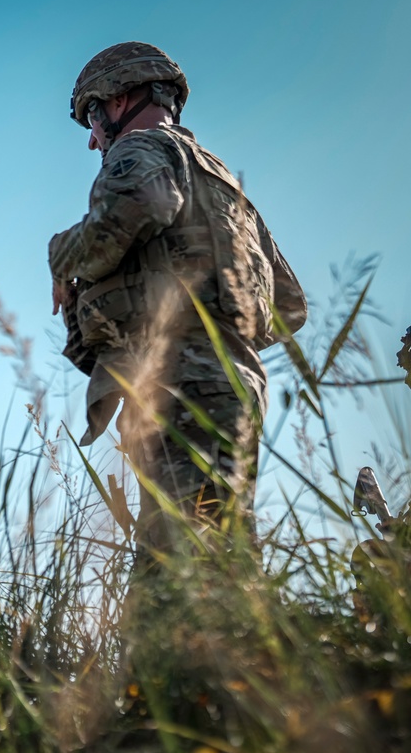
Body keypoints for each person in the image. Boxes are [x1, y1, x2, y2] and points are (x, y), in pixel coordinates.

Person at [49, 42, 307, 561]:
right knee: (220, 548)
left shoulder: (139, 149)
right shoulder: (224, 183)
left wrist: (61, 256)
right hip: (238, 386)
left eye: (91, 122)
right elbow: (289, 305)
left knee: (175, 565)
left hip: (174, 381)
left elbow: (142, 205)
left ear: (116, 102)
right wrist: (221, 332)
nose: (93, 141)